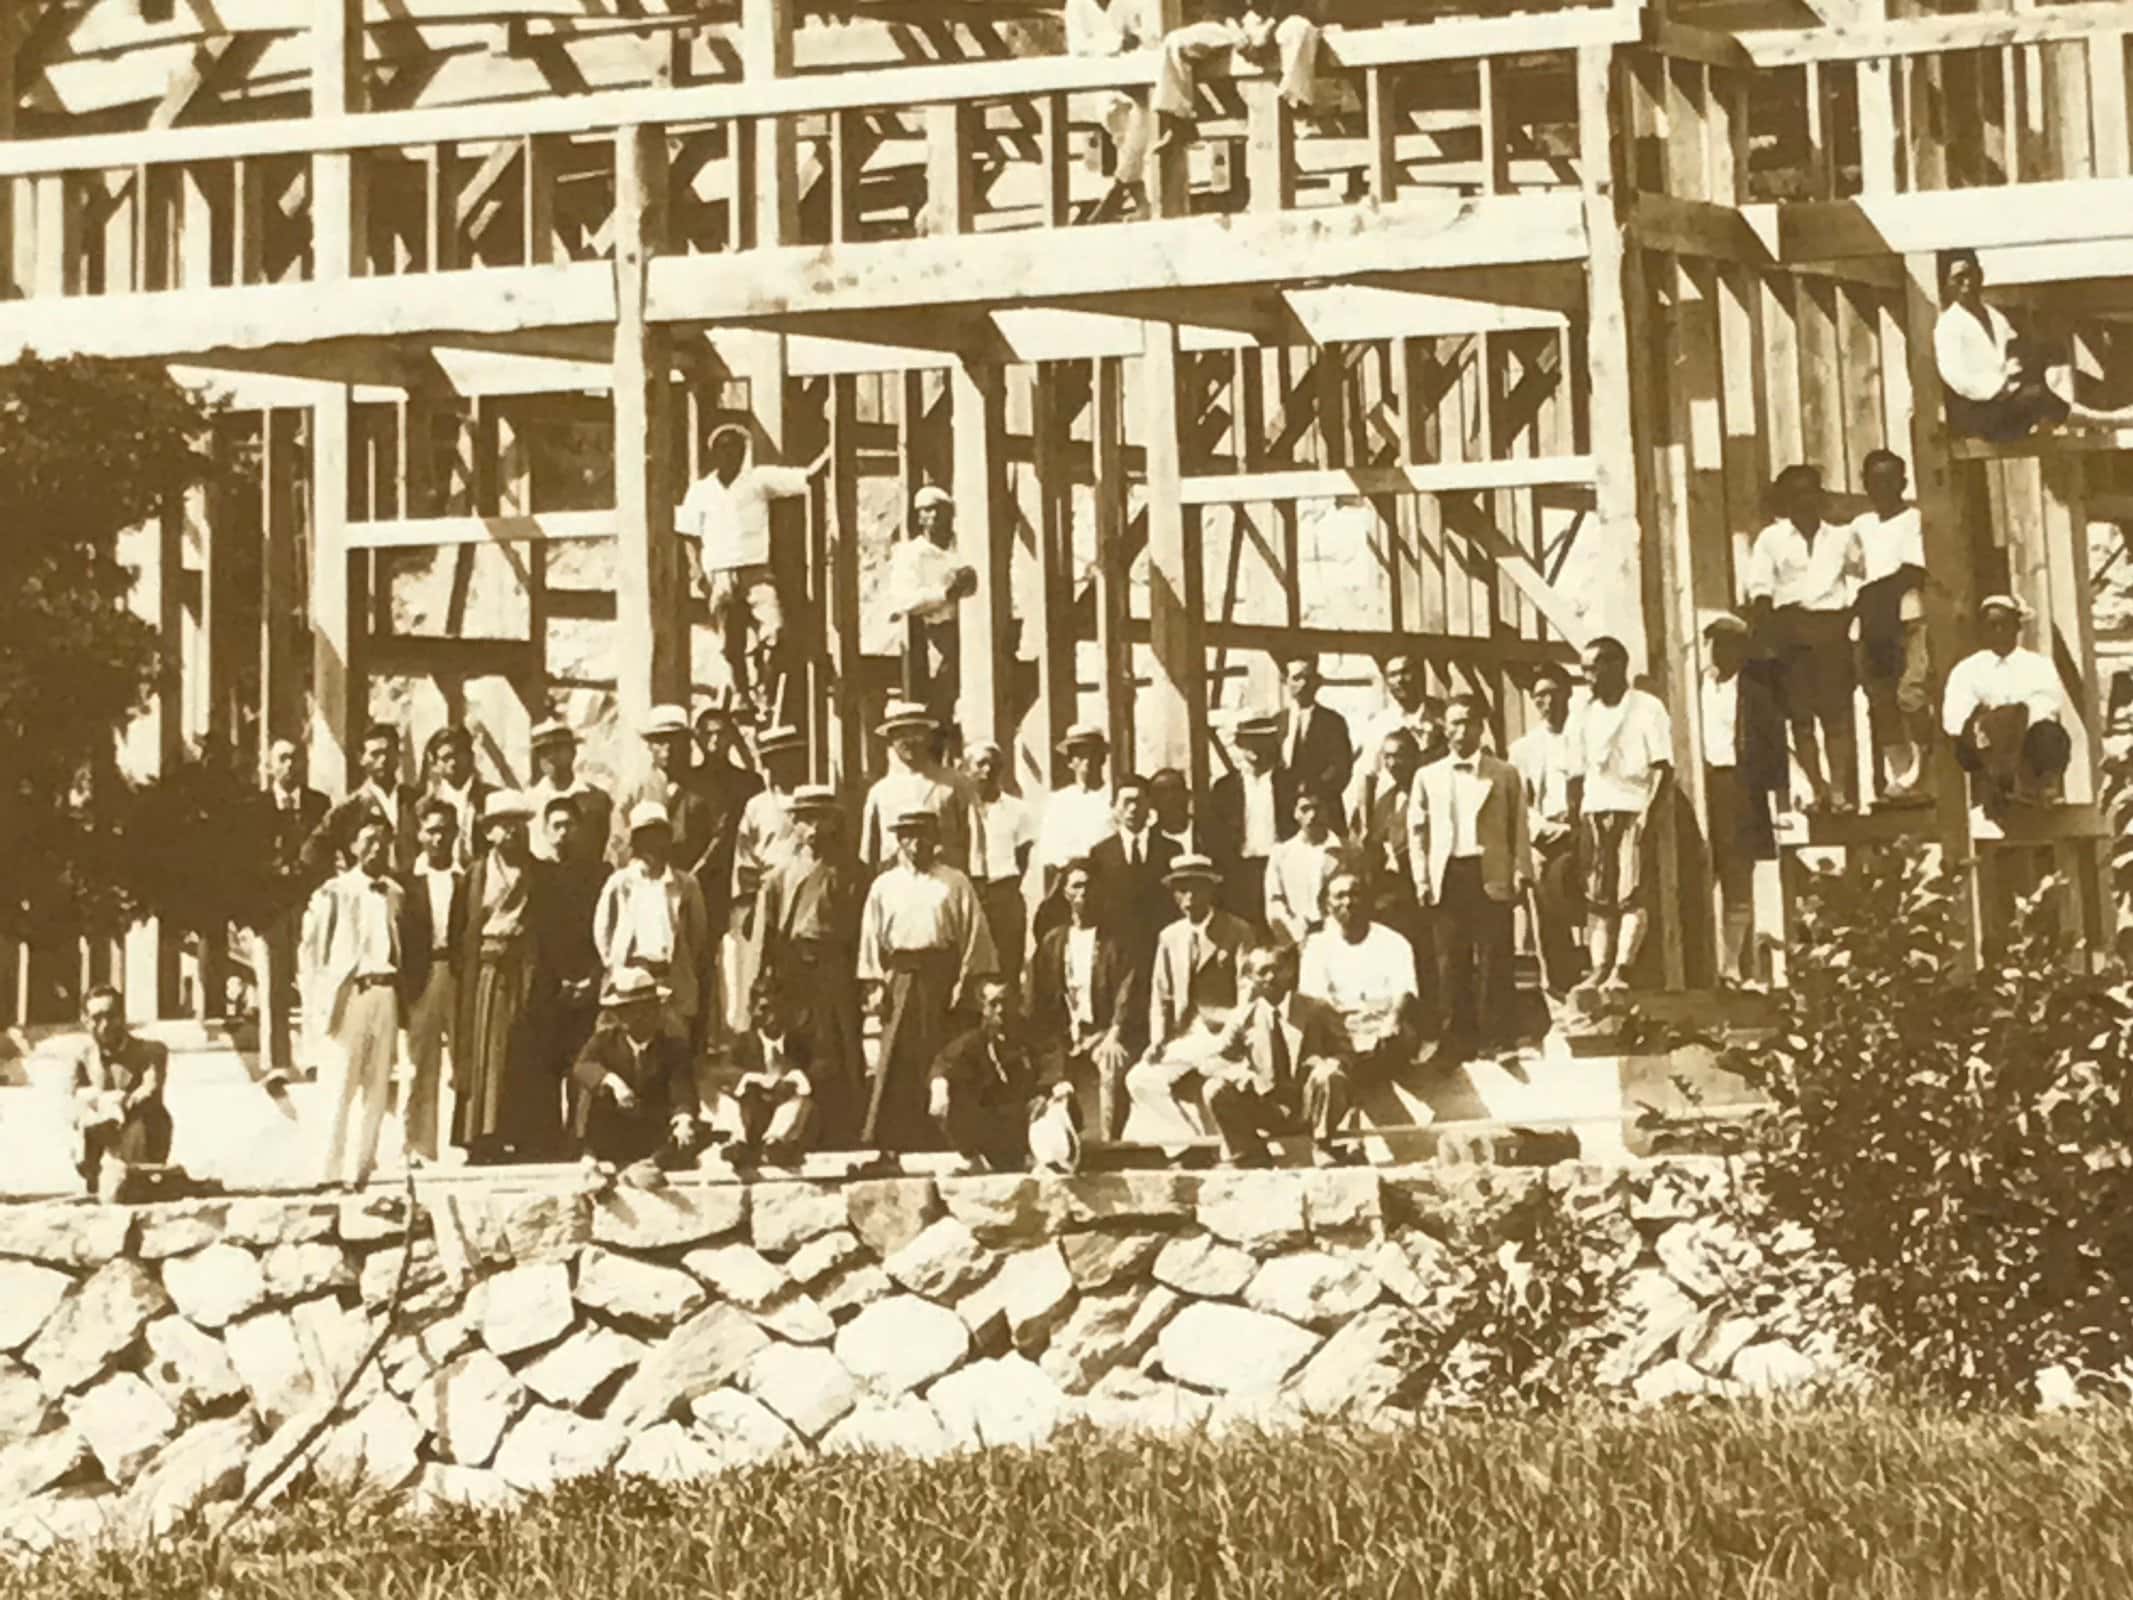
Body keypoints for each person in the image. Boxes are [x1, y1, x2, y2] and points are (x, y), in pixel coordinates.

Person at [855, 806, 999, 1151]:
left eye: (923, 835)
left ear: (935, 840)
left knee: (941, 1053)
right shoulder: (884, 885)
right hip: (900, 977)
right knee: (898, 1057)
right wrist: (874, 984)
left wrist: (969, 983)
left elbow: (973, 934)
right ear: (899, 841)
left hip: (942, 977)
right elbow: (870, 937)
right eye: (908, 836)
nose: (915, 843)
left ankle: (944, 1134)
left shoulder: (954, 881)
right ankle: (895, 1138)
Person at [1408, 694, 1529, 1057]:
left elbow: (1518, 825)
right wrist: (1422, 879)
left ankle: (1498, 1039)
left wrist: (1522, 870)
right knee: (1450, 960)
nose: (1460, 731)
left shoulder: (1504, 773)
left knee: (1495, 957)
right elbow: (1418, 831)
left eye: (1468, 722)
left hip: (1489, 872)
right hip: (1448, 873)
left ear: (1480, 726)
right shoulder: (1427, 775)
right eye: (1454, 722)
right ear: (1444, 727)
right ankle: (1456, 1039)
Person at [676, 423, 821, 712]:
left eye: (737, 448)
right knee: (730, 645)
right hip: (719, 574)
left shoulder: (757, 480)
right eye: (725, 448)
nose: (731, 454)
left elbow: (805, 478)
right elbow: (689, 534)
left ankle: (766, 693)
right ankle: (741, 695)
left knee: (775, 631)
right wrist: (697, 573)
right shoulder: (700, 491)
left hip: (756, 572)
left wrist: (830, 452)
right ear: (714, 453)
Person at [1744, 463, 1863, 816]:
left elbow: (1858, 579)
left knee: (1837, 715)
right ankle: (1817, 788)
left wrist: (1850, 623)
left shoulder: (1842, 536)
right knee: (1800, 717)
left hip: (1831, 628)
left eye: (1810, 492)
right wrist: (1768, 637)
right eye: (1795, 494)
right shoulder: (1771, 539)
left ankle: (1840, 792)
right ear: (1784, 500)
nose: (1804, 500)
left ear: (1820, 496)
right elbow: (1760, 589)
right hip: (1791, 629)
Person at [756, 785, 867, 1146]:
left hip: (836, 968)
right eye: (804, 820)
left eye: (821, 818)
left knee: (841, 1048)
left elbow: (863, 931)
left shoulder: (853, 872)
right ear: (794, 825)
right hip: (792, 972)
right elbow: (766, 936)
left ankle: (844, 1129)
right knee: (797, 1050)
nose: (813, 828)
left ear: (835, 822)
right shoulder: (779, 877)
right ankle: (796, 1130)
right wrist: (764, 984)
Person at [300, 817, 405, 1187]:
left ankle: (359, 1171)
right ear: (354, 847)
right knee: (341, 1081)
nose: (377, 847)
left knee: (378, 1086)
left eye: (383, 840)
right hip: (351, 994)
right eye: (369, 840)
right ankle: (327, 1171)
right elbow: (311, 952)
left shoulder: (395, 892)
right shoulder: (333, 891)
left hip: (386, 993)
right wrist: (318, 1004)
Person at [1567, 636, 1673, 993]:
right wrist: (1575, 819)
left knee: (1631, 893)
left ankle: (1622, 970)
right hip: (1595, 811)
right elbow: (1576, 773)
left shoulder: (1647, 707)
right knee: (1597, 896)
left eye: (1592, 668)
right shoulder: (1583, 713)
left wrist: (1648, 816)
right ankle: (1598, 968)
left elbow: (1662, 768)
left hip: (1632, 808)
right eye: (1583, 670)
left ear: (1616, 666)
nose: (1587, 677)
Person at [1124, 852, 1253, 1136]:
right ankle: (1186, 1141)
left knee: (1215, 1081)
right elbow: (1160, 996)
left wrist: (1230, 1037)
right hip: (1183, 1036)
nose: (1188, 897)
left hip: (1223, 1036)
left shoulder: (1237, 931)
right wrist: (1157, 1040)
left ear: (1211, 890)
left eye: (1196, 888)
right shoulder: (1169, 937)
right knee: (1139, 1080)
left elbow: (1248, 994)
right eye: (1181, 889)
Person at [1198, 939, 1352, 1168]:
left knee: (1328, 1076)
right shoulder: (1244, 1018)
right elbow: (1211, 1062)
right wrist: (1239, 1073)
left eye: (1277, 970)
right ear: (1250, 978)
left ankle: (1323, 1147)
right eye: (1262, 972)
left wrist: (1330, 1063)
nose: (1271, 978)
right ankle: (1248, 1153)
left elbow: (1347, 1053)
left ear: (1290, 972)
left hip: (1310, 1102)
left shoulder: (1316, 1009)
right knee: (1214, 1088)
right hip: (1268, 1106)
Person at [518, 794, 609, 1160]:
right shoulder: (536, 874)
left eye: (569, 825)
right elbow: (534, 935)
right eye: (555, 826)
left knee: (583, 1064)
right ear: (544, 831)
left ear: (581, 829)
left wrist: (592, 978)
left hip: (588, 983)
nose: (562, 833)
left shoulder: (600, 874)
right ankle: (547, 1142)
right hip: (547, 987)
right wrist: (555, 982)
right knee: (545, 1066)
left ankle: (580, 1137)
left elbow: (606, 930)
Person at [450, 791, 540, 1164]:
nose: (513, 832)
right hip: (485, 970)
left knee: (521, 1050)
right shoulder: (475, 875)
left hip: (524, 970)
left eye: (518, 825)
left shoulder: (537, 872)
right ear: (489, 832)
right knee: (485, 1052)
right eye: (504, 825)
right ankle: (480, 1136)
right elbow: (459, 930)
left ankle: (517, 1134)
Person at [1028, 858, 1141, 1141]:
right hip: (1064, 1035)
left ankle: (1109, 1143)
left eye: (1089, 886)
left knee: (1111, 1064)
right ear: (1065, 893)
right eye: (1076, 886)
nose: (1084, 894)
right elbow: (1041, 1000)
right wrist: (1051, 1041)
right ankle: (1058, 1148)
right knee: (1049, 1078)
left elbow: (1127, 992)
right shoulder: (1054, 942)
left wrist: (1115, 1033)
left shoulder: (1117, 941)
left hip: (1104, 1032)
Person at [1701, 614, 1786, 989]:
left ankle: (1731, 965)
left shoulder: (1756, 694)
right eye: (1714, 643)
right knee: (1701, 873)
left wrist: (1779, 801)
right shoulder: (1693, 691)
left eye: (1729, 644)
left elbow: (1775, 752)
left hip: (1739, 788)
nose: (1720, 652)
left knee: (1738, 876)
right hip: (1701, 786)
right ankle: (1702, 964)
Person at [594, 800, 715, 1048]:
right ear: (635, 842)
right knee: (626, 1044)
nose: (653, 844)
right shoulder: (621, 883)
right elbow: (603, 929)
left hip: (669, 979)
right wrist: (616, 966)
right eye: (645, 836)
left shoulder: (685, 885)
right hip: (631, 975)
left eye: (659, 836)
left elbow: (697, 934)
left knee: (670, 1045)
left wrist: (680, 964)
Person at [1849, 451, 1933, 804]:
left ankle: (1926, 767)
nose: (1881, 487)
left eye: (1889, 480)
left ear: (1903, 482)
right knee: (1881, 701)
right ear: (1865, 483)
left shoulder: (1914, 519)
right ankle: (1902, 775)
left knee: (1911, 695)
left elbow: (1912, 571)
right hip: (1871, 625)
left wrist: (1871, 594)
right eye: (1874, 480)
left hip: (1907, 618)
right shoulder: (1861, 525)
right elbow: (1853, 573)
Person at [1942, 593, 2072, 814]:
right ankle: (2002, 789)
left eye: (2005, 625)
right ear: (1982, 630)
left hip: (2025, 741)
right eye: (1991, 626)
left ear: (2017, 628)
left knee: (2049, 733)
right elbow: (1954, 718)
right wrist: (1991, 723)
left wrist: (2012, 718)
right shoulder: (1967, 670)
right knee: (1995, 726)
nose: (1999, 632)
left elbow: (2047, 705)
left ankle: (2035, 788)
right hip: (1982, 744)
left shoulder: (2038, 665)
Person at [1150, 0, 1326, 157]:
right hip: (1234, 25)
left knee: (1299, 30)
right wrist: (1233, 28)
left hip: (1283, 16)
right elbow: (1216, 5)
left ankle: (1297, 110)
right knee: (1176, 41)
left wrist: (1269, 25)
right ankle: (1180, 122)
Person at [931, 975, 1068, 1169]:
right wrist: (939, 1088)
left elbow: (1052, 1061)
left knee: (1061, 1102)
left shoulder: (1031, 1034)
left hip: (1028, 1118)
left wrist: (1055, 1088)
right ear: (983, 1008)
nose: (1001, 1010)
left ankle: (1043, 1160)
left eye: (1006, 1002)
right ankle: (975, 1161)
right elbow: (945, 1064)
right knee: (950, 1097)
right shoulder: (972, 1042)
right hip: (991, 1125)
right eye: (993, 1004)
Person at [571, 969, 703, 1171]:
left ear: (657, 1011)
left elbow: (683, 1092)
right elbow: (581, 1067)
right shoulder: (605, 1041)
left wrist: (683, 1119)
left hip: (652, 1138)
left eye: (643, 1009)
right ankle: (588, 1155)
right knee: (590, 1090)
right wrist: (613, 1082)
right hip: (609, 1137)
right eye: (624, 1011)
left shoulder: (673, 1048)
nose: (632, 1017)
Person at [1298, 869, 1420, 1083]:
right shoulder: (1317, 947)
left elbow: (1405, 990)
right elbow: (1315, 1000)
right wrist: (1345, 1031)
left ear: (1368, 901)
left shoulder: (1394, 942)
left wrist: (1391, 1020)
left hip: (1382, 1027)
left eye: (1355, 895)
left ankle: (1370, 1069)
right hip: (1339, 1029)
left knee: (1403, 1037)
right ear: (1328, 906)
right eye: (1339, 896)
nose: (1348, 902)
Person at [397, 799, 465, 1163]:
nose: (438, 838)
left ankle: (465, 1144)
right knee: (419, 1064)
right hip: (422, 977)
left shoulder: (466, 878)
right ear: (420, 834)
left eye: (445, 830)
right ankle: (419, 1145)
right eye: (431, 830)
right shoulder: (405, 882)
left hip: (456, 975)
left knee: (464, 1063)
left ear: (455, 833)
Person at [725, 722, 805, 1034]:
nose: (780, 766)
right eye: (772, 759)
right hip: (764, 896)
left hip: (801, 892)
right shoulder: (756, 806)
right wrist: (745, 907)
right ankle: (756, 1040)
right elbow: (745, 860)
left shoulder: (808, 801)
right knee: (760, 968)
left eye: (786, 758)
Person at [258, 737, 331, 1079]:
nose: (291, 765)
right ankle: (278, 1062)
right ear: (270, 765)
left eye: (296, 758)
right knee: (274, 984)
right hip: (271, 907)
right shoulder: (254, 807)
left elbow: (327, 852)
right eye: (283, 759)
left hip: (310, 904)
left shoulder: (319, 804)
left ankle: (315, 1056)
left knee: (314, 979)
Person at [1508, 668, 1584, 996]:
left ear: (1568, 693)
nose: (1546, 702)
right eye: (1539, 696)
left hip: (1583, 829)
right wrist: (1544, 830)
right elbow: (1520, 802)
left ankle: (1595, 977)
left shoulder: (1585, 735)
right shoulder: (1524, 748)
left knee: (1595, 901)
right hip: (1544, 833)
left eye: (1553, 693)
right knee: (1543, 899)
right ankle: (1556, 984)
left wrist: (1578, 827)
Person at [1352, 728, 1431, 1025]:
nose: (1393, 764)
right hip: (1393, 897)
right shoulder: (1385, 799)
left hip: (1423, 892)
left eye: (1400, 756)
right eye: (1387, 757)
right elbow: (1375, 844)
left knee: (1429, 961)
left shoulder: (1428, 791)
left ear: (1415, 757)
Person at [67, 985, 172, 1195]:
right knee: (80, 1115)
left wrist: (118, 1105)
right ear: (86, 1021)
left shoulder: (151, 1051)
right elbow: (75, 1093)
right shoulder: (83, 1057)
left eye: (111, 1016)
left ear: (123, 1017)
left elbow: (149, 1091)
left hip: (141, 1137)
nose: (105, 1025)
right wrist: (100, 1103)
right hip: (99, 1137)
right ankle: (92, 1176)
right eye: (96, 1018)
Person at [886, 486, 977, 726]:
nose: (934, 516)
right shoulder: (911, 554)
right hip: (938, 633)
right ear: (919, 517)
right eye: (927, 511)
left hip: (973, 629)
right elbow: (904, 600)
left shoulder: (965, 546)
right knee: (942, 700)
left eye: (940, 510)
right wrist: (944, 593)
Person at [859, 700, 982, 876]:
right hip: (897, 887)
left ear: (929, 736)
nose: (909, 740)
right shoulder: (880, 793)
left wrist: (977, 877)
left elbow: (976, 838)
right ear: (891, 740)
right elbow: (868, 855)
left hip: (946, 884)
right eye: (901, 734)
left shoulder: (955, 783)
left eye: (916, 732)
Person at [1076, 774, 1178, 969]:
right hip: (1116, 950)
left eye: (1139, 801)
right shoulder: (1100, 853)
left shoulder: (1170, 850)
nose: (1132, 809)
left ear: (1149, 805)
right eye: (1126, 802)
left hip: (1159, 947)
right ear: (1114, 806)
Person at [1204, 712, 1294, 925]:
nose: (1255, 748)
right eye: (1248, 741)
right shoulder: (1224, 788)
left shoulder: (1289, 783)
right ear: (1239, 744)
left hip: (1281, 868)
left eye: (1262, 741)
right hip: (1240, 872)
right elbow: (1215, 836)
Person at [966, 738, 1036, 985]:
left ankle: (1009, 1021)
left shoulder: (1019, 810)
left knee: (1008, 966)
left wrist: (1003, 886)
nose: (988, 770)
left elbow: (1023, 855)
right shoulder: (960, 808)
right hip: (970, 892)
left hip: (1004, 892)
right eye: (981, 764)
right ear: (967, 768)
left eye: (994, 765)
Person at [611, 703, 713, 870]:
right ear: (650, 746)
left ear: (686, 743)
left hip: (689, 874)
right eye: (660, 741)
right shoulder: (636, 786)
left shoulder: (700, 787)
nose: (668, 748)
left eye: (675, 740)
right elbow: (618, 838)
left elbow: (710, 840)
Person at [728, 970, 816, 1164]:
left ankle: (775, 1143)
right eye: (764, 1009)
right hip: (755, 1110)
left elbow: (823, 1066)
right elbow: (727, 1073)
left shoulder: (800, 1044)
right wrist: (755, 1080)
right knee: (729, 1101)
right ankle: (737, 1144)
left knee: (802, 1102)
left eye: (776, 1009)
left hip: (787, 1112)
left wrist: (795, 1078)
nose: (771, 1017)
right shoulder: (742, 1044)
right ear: (752, 1010)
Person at [1352, 654, 1444, 822]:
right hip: (1395, 816)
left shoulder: (1441, 715)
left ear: (1420, 674)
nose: (1400, 680)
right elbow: (1367, 777)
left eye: (1406, 672)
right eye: (1393, 675)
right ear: (1386, 682)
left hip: (1439, 810)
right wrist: (1366, 824)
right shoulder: (1379, 725)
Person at [1033, 723, 1117, 886]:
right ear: (1070, 762)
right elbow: (1049, 850)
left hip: (1109, 879)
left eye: (1093, 753)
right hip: (1069, 880)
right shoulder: (1058, 802)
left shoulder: (1113, 797)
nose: (1087, 760)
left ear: (1102, 758)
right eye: (1080, 755)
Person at [1264, 782, 1345, 947]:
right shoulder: (1281, 854)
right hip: (1296, 942)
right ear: (1295, 813)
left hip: (1339, 939)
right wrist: (1295, 932)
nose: (1312, 815)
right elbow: (1275, 902)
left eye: (1318, 808)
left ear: (1328, 810)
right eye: (1305, 809)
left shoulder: (1349, 852)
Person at [1275, 654, 1354, 818]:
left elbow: (1341, 767)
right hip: (1284, 812)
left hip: (1322, 809)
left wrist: (1313, 789)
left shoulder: (1333, 722)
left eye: (1308, 678)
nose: (1303, 684)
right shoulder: (1277, 722)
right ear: (1285, 681)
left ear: (1318, 682)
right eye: (1296, 678)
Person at [526, 717, 614, 864]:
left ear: (573, 752)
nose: (552, 756)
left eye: (559, 748)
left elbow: (605, 844)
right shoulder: (529, 801)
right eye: (544, 751)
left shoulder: (596, 799)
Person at [339, 723, 422, 872]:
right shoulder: (350, 807)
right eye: (375, 754)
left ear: (398, 755)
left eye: (388, 752)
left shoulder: (417, 801)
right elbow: (316, 850)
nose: (383, 759)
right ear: (361, 758)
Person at [421, 724, 489, 865]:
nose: (453, 762)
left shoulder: (491, 799)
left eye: (459, 754)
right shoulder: (424, 806)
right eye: (446, 758)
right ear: (435, 764)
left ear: (471, 756)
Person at [1148, 767, 1194, 852]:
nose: (1170, 797)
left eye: (1176, 789)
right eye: (1162, 792)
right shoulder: (1147, 843)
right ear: (1151, 802)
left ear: (1188, 795)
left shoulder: (1207, 834)